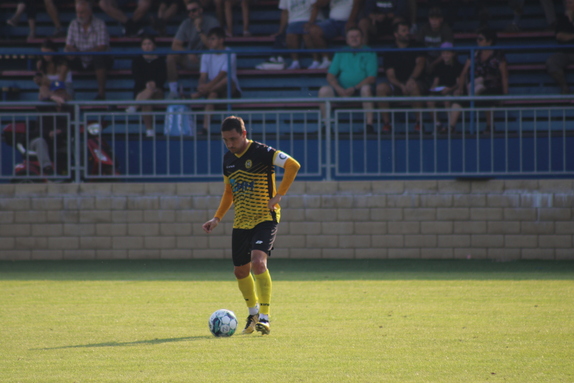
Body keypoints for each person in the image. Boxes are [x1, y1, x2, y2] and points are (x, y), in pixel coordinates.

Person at [202, 115, 301, 336]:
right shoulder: (228, 159)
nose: (230, 144)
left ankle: (265, 317)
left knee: (258, 262)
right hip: (241, 221)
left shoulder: (262, 152)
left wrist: (279, 195)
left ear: (244, 134)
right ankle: (253, 312)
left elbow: (293, 165)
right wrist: (217, 218)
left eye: (234, 139)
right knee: (240, 271)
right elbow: (229, 192)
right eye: (226, 140)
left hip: (265, 217)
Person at [318, 27, 377, 133]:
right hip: (341, 90)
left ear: (362, 38)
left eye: (357, 36)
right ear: (347, 40)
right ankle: (326, 125)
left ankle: (369, 125)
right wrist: (338, 88)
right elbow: (330, 75)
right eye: (351, 37)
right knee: (324, 90)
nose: (354, 39)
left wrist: (354, 88)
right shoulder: (341, 52)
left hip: (359, 90)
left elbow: (371, 78)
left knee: (366, 89)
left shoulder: (369, 52)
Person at [454, 27, 508, 134]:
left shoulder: (498, 55)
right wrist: (460, 88)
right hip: (474, 86)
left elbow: (504, 75)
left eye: (480, 39)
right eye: (477, 39)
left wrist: (506, 95)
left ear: (489, 41)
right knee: (458, 100)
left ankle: (489, 126)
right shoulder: (474, 53)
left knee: (486, 97)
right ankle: (451, 127)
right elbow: (464, 72)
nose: (477, 41)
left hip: (492, 87)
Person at [376, 21, 426, 133]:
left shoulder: (417, 46)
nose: (407, 33)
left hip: (416, 82)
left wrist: (411, 79)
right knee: (381, 88)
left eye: (408, 30)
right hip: (398, 85)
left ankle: (419, 123)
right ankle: (386, 124)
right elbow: (390, 75)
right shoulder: (390, 52)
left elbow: (420, 63)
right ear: (396, 34)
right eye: (403, 31)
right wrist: (401, 85)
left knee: (413, 86)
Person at [191, 27, 241, 134]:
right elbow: (203, 76)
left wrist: (203, 90)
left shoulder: (230, 54)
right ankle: (205, 128)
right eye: (209, 39)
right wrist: (201, 85)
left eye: (213, 39)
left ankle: (199, 95)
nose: (210, 42)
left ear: (221, 40)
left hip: (229, 90)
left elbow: (222, 75)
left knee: (226, 80)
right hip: (212, 89)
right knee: (212, 94)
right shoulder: (206, 54)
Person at [166, 0, 220, 99]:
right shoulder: (186, 23)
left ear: (201, 10)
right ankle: (173, 91)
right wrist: (188, 53)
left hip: (209, 59)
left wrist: (199, 28)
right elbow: (175, 45)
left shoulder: (212, 22)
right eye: (188, 12)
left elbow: (212, 46)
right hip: (193, 58)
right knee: (170, 57)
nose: (191, 13)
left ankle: (201, 93)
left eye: (194, 10)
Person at [65, 0, 113, 100]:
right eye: (77, 12)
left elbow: (102, 47)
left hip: (96, 59)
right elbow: (68, 45)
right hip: (79, 59)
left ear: (90, 12)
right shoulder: (73, 24)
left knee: (99, 56)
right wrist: (70, 51)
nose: (79, 15)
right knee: (64, 58)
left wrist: (81, 52)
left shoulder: (100, 24)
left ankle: (101, 93)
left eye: (82, 12)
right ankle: (65, 93)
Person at [127, 36, 167, 137]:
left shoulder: (161, 61)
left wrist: (155, 84)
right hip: (141, 91)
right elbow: (137, 77)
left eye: (149, 43)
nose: (147, 46)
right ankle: (149, 130)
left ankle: (135, 105)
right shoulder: (137, 61)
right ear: (141, 47)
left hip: (157, 91)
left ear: (154, 45)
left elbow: (162, 78)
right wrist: (147, 84)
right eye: (144, 44)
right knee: (147, 100)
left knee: (151, 90)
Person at [305, 0, 355, 69]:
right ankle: (327, 60)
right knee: (314, 30)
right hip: (332, 21)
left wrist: (351, 20)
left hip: (350, 20)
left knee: (354, 33)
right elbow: (319, 4)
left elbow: (358, 5)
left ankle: (355, 59)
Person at [426, 42, 463, 134]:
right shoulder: (439, 66)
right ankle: (438, 124)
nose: (445, 55)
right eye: (443, 53)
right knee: (429, 100)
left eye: (447, 53)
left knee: (447, 99)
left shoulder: (458, 66)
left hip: (452, 91)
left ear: (453, 54)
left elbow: (459, 84)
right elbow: (436, 82)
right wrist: (434, 88)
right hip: (441, 91)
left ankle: (450, 127)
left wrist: (450, 89)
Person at [272, 0, 320, 70]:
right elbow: (285, 12)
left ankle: (316, 60)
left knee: (307, 34)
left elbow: (315, 7)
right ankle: (295, 62)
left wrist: (310, 23)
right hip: (293, 21)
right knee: (290, 34)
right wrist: (280, 31)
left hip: (308, 19)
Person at [546, 0, 574, 95]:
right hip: (565, 52)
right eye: (567, 3)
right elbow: (559, 36)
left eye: (571, 3)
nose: (568, 5)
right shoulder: (562, 19)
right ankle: (565, 88)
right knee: (552, 62)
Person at [415, 6, 454, 76]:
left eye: (436, 18)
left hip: (442, 58)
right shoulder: (424, 29)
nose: (434, 21)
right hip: (427, 58)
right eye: (432, 18)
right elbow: (418, 45)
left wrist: (433, 64)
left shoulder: (446, 30)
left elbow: (448, 51)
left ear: (441, 19)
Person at [34, 39, 74, 104]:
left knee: (57, 91)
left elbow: (59, 84)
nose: (45, 56)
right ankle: (53, 97)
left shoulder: (63, 64)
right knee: (42, 88)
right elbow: (43, 84)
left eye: (48, 53)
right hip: (50, 91)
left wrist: (49, 83)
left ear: (54, 51)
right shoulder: (40, 64)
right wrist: (38, 81)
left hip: (64, 89)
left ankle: (52, 97)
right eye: (43, 53)